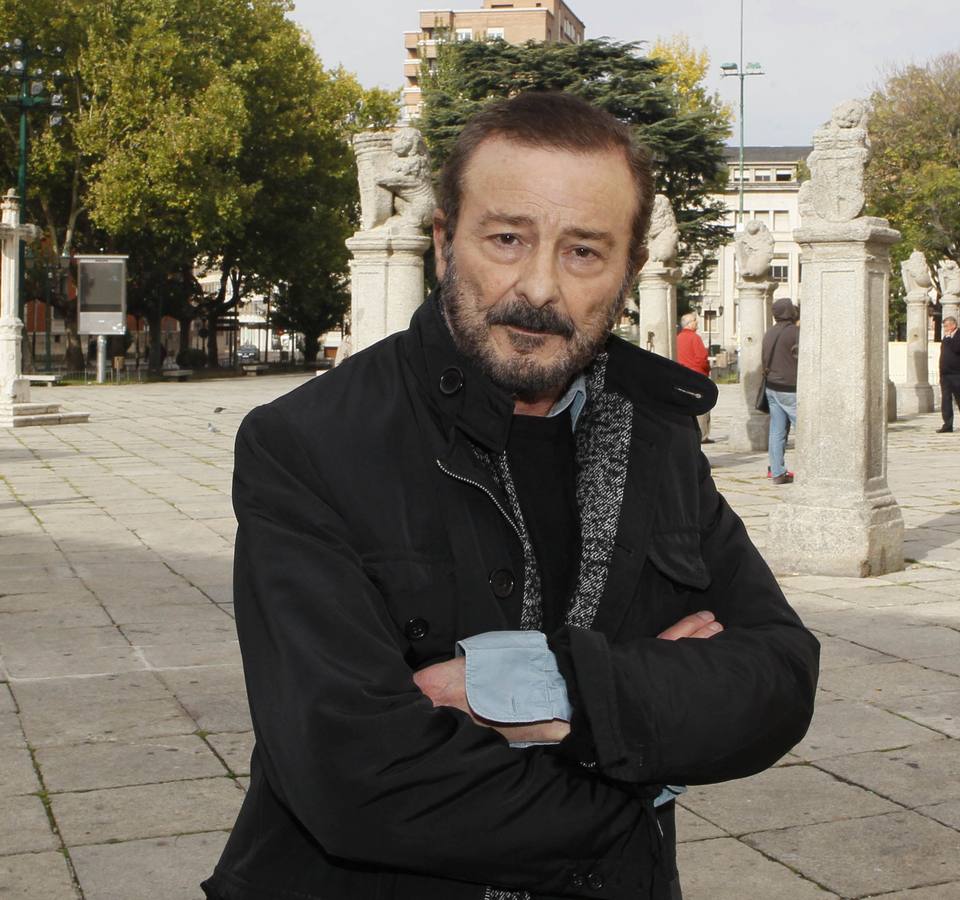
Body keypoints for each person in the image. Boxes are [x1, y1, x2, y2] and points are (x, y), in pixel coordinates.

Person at [206, 91, 819, 900]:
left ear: (629, 272)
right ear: (442, 242)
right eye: (506, 239)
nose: (538, 287)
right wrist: (636, 775)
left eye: (584, 253)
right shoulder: (308, 443)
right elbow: (353, 777)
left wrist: (547, 686)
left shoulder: (655, 438)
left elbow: (776, 678)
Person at [761, 298, 800, 484]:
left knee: (777, 431)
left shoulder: (770, 332)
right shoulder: (795, 333)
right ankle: (812, 470)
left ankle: (777, 472)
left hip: (771, 387)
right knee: (805, 429)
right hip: (790, 388)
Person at [675, 312, 714, 443]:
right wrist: (707, 369)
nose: (697, 322)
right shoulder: (694, 338)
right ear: (689, 324)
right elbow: (701, 358)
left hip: (682, 376)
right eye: (695, 320)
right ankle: (702, 435)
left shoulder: (677, 338)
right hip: (697, 376)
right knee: (702, 406)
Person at [938, 315, 960, 433]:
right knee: (946, 400)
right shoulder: (946, 337)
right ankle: (947, 425)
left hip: (956, 374)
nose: (945, 328)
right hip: (945, 374)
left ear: (953, 325)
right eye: (944, 326)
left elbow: (957, 349)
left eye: (947, 326)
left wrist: (949, 338)